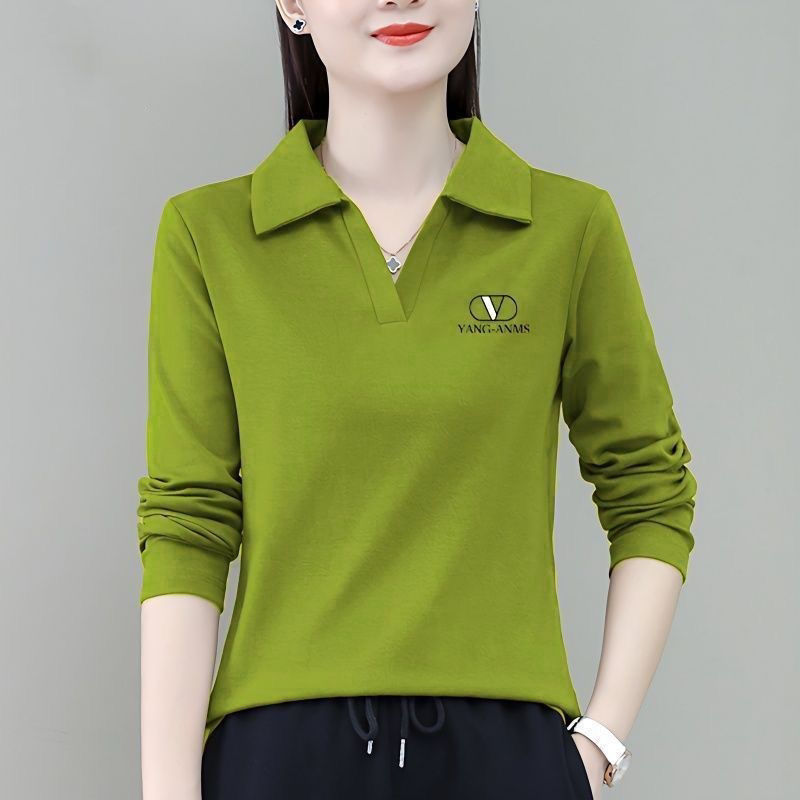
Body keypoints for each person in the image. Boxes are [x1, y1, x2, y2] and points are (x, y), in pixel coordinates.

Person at [136, 2, 699, 798]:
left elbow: (650, 488)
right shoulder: (208, 234)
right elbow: (187, 522)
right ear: (292, 4)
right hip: (279, 760)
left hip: (507, 759)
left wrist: (597, 746)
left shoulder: (570, 229)